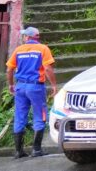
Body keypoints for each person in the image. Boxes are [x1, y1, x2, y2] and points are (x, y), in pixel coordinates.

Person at [6, 27, 57, 158]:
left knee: (20, 116)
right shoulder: (43, 49)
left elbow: (9, 69)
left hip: (20, 87)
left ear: (28, 37)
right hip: (36, 87)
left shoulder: (18, 50)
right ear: (36, 37)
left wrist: (11, 84)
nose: (24, 38)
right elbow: (47, 69)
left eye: (24, 36)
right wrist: (54, 86)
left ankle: (18, 151)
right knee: (40, 115)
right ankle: (36, 150)